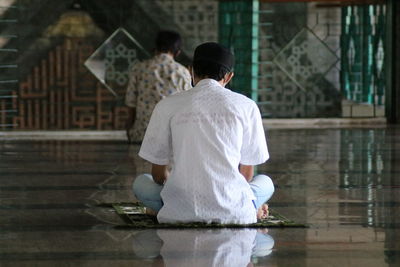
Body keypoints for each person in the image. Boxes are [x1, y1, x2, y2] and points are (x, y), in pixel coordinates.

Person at [133, 42, 274, 224]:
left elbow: (158, 175)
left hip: (179, 210)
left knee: (141, 183)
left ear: (191, 71)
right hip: (233, 210)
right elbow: (246, 175)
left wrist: (176, 191)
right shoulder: (247, 106)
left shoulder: (167, 105)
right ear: (229, 76)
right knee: (265, 182)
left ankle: (162, 209)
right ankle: (252, 208)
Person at [125, 30, 192, 143]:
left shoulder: (139, 69)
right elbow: (189, 106)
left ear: (156, 47)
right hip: (172, 136)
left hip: (142, 135)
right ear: (177, 52)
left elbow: (131, 103)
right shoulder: (182, 72)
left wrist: (129, 128)